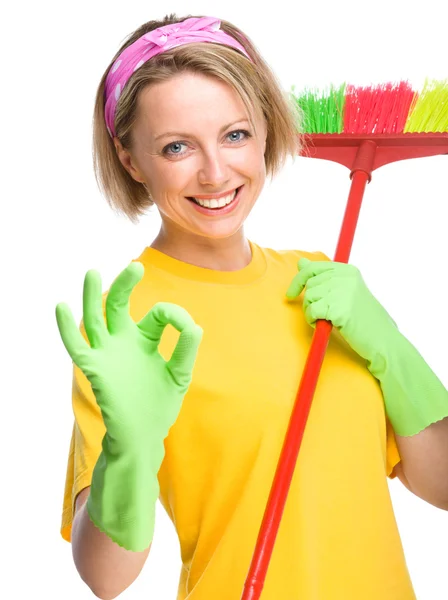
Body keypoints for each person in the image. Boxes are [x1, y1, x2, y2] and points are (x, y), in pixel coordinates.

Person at [57, 13, 448, 600]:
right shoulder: (127, 320)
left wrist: (389, 345)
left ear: (265, 130)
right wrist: (127, 450)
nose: (216, 173)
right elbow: (105, 578)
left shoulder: (322, 284)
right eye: (176, 146)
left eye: (235, 134)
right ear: (131, 160)